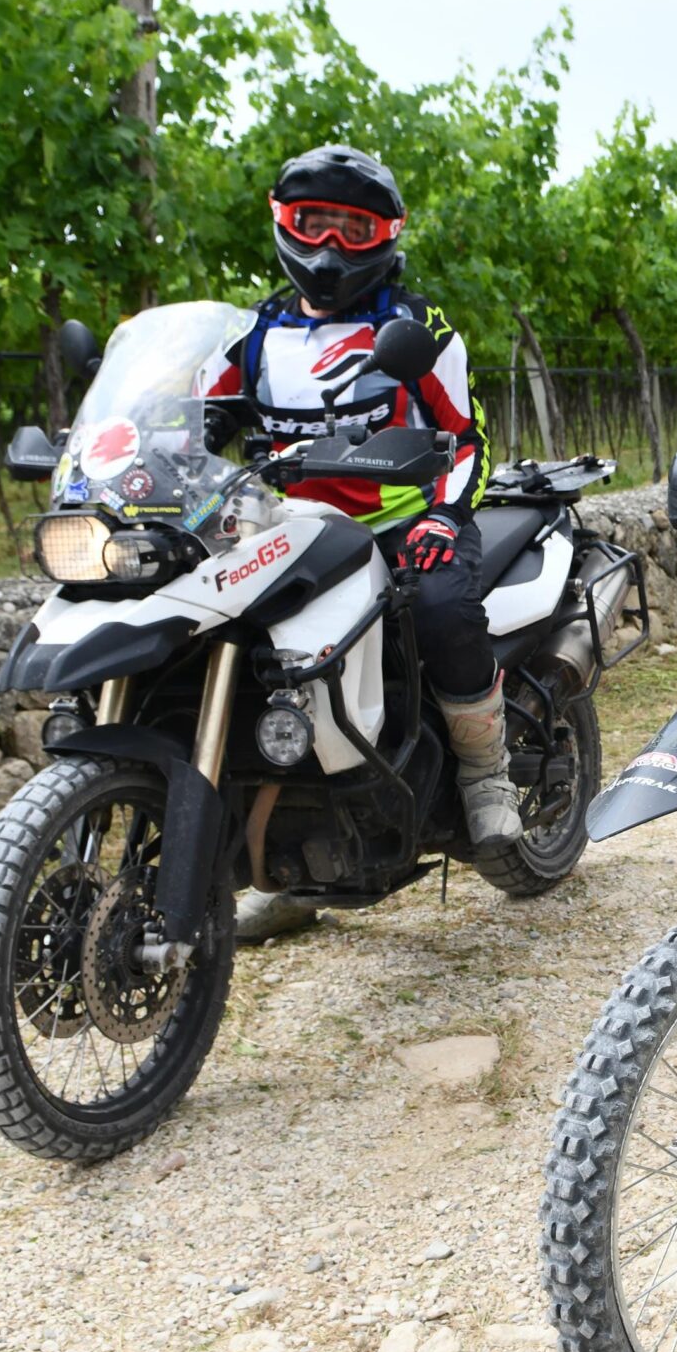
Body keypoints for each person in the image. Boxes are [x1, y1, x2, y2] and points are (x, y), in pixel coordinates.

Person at [196, 145, 519, 941]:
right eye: (316, 222)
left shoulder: (419, 330)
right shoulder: (252, 336)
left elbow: (467, 440)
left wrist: (444, 516)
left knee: (442, 610)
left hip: (405, 524)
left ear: (388, 234)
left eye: (354, 226)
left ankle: (486, 773)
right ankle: (282, 852)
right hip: (287, 530)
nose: (332, 245)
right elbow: (191, 424)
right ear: (284, 223)